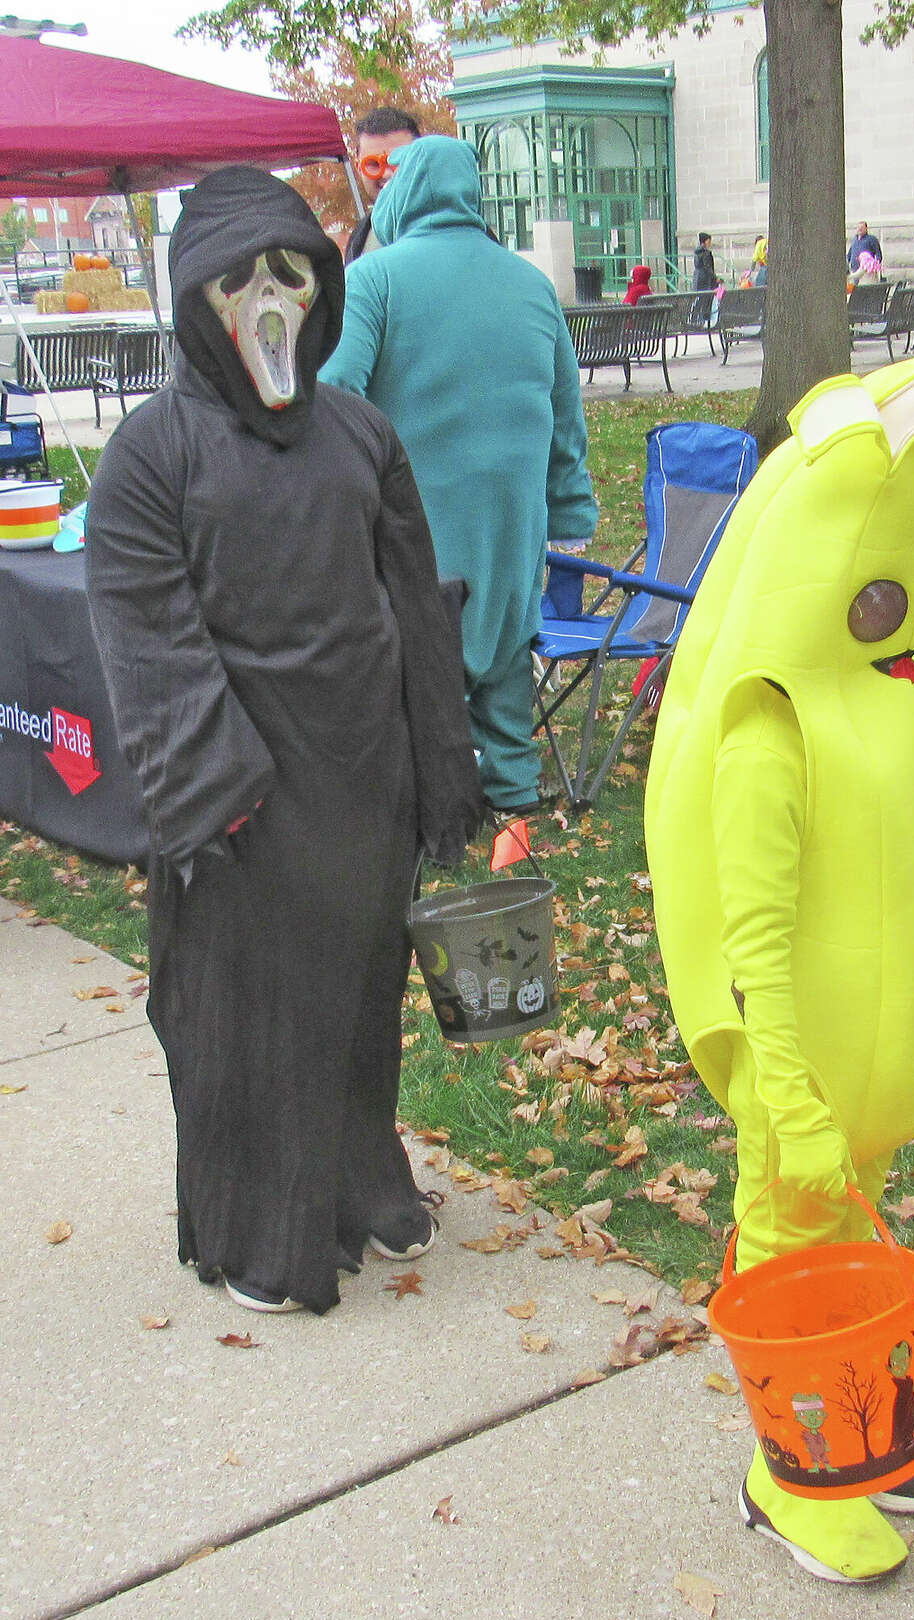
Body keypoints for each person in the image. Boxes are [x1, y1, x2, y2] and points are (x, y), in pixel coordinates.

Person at [644, 304, 914, 1584]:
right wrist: (789, 1090)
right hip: (800, 1082)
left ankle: (867, 1429)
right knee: (788, 1251)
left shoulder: (898, 695)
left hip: (869, 1076)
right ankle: (791, 1469)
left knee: (855, 1240)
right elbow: (753, 935)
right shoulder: (769, 725)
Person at [86, 167, 483, 1316]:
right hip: (247, 808)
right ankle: (268, 1229)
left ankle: (364, 1184)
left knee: (358, 1009)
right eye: (239, 281)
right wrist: (216, 786)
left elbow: (413, 603)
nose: (267, 300)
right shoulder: (149, 457)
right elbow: (147, 637)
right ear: (196, 301)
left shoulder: (363, 435)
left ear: (321, 286)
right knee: (247, 1019)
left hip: (364, 785)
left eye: (289, 273)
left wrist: (436, 762)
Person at [320, 137, 598, 813]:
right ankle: (514, 791)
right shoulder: (531, 284)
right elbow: (565, 416)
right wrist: (570, 514)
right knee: (504, 653)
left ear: (405, 193)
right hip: (511, 519)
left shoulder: (373, 279)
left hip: (415, 522)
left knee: (416, 659)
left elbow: (335, 393)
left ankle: (424, 797)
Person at [345, 106, 421, 264]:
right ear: (359, 167)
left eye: (398, 161)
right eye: (373, 164)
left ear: (419, 162)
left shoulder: (459, 229)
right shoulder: (360, 237)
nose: (387, 174)